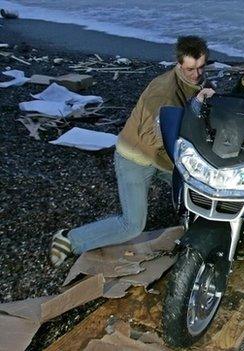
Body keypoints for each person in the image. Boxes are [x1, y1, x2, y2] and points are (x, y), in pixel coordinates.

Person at [49, 36, 215, 267]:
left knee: (203, 191)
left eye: (200, 67)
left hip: (164, 160)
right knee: (133, 225)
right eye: (190, 69)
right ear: (178, 64)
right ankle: (69, 239)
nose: (196, 74)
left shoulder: (202, 84)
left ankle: (203, 238)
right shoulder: (163, 92)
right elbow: (154, 137)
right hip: (136, 157)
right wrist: (194, 110)